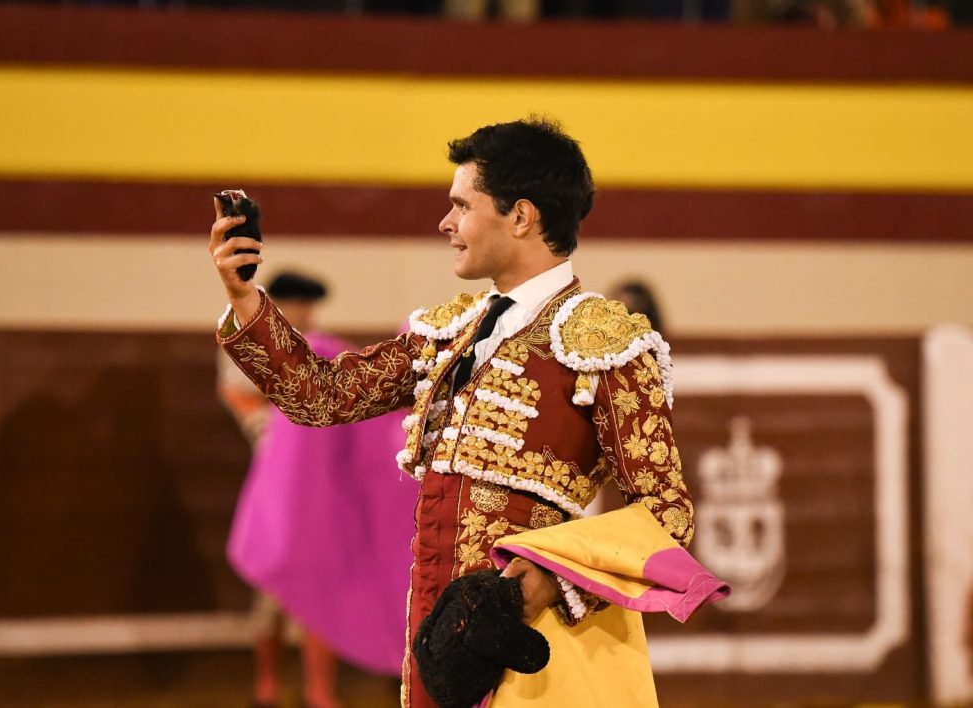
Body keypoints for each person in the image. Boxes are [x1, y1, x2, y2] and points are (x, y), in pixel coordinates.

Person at [209, 118, 724, 707]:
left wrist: (549, 583)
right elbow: (320, 394)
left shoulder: (603, 342)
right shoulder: (448, 332)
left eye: (461, 205)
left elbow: (666, 514)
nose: (445, 223)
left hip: (535, 645)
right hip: (431, 632)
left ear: (521, 216)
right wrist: (245, 296)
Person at [218, 272, 414, 708]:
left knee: (324, 586)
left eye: (308, 306)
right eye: (296, 305)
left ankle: (317, 691)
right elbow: (258, 416)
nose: (304, 314)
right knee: (274, 594)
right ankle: (268, 686)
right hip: (276, 493)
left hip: (323, 494)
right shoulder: (253, 349)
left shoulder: (321, 352)